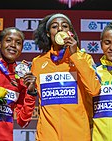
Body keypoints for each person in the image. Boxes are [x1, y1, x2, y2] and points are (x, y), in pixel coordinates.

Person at [32, 13, 101, 141]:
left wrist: (75, 56)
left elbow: (94, 90)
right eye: (54, 26)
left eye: (64, 26)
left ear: (70, 33)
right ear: (48, 33)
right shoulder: (38, 63)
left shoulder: (83, 58)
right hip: (47, 136)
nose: (59, 29)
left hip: (78, 135)